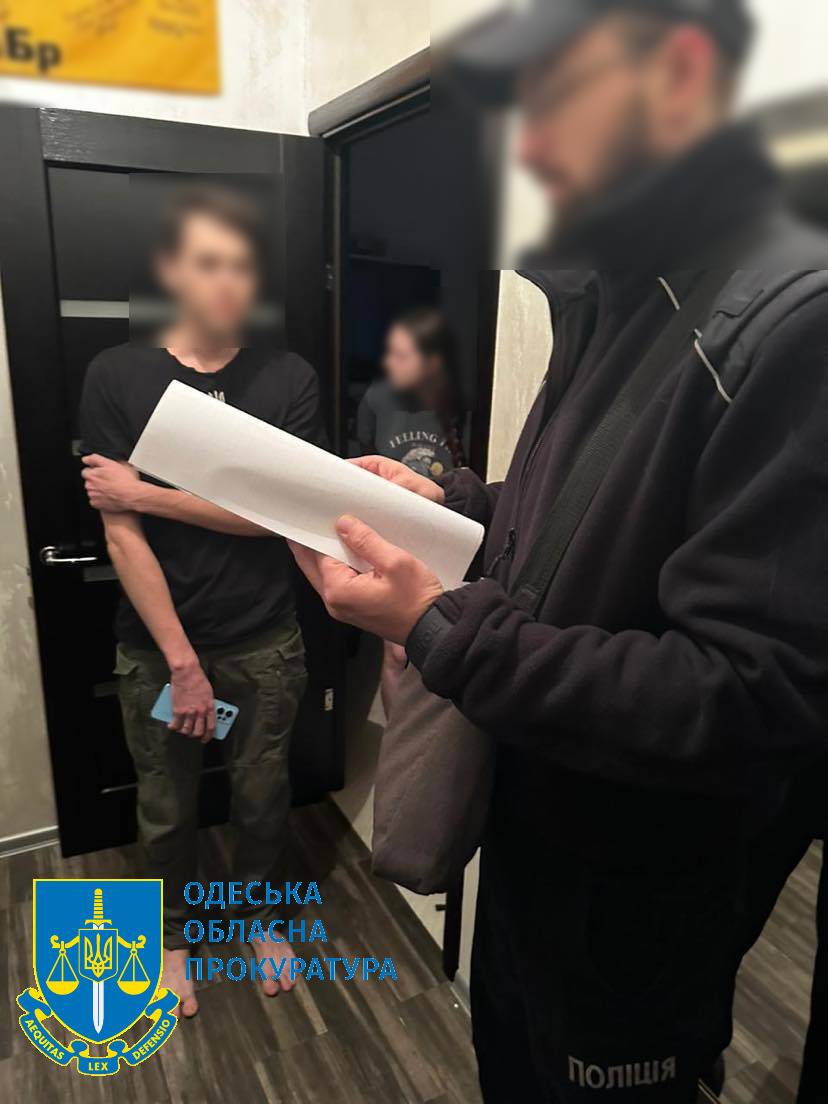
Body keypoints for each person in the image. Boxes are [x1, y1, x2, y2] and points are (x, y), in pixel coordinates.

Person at [289, 2, 828, 1100]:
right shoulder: (608, 300)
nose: (524, 150)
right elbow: (582, 527)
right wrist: (453, 505)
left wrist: (438, 627)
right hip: (535, 843)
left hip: (635, 911)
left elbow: (750, 696)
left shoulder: (793, 320)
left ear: (680, 75)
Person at [79, 185, 325, 1017]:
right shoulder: (118, 375)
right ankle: (172, 937)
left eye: (242, 266)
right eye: (209, 263)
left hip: (264, 641)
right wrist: (182, 664)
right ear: (174, 271)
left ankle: (259, 920)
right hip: (158, 648)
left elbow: (281, 516)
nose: (228, 282)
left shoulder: (286, 377)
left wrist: (149, 493)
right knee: (166, 804)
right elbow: (120, 535)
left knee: (261, 796)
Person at [356, 307, 466, 713]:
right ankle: (393, 740)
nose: (390, 364)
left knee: (436, 643)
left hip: (444, 532)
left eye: (401, 355)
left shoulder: (456, 400)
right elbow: (363, 449)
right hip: (391, 532)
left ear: (432, 363)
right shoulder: (376, 397)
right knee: (395, 651)